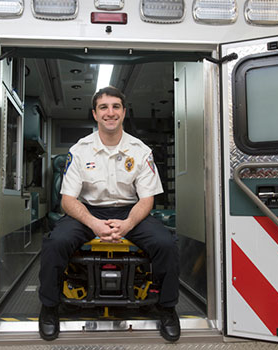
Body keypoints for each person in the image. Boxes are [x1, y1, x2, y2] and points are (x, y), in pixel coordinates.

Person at [38, 86, 180, 341]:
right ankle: (49, 307)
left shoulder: (140, 151)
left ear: (124, 112)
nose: (110, 112)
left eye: (116, 107)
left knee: (166, 244)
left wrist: (127, 224)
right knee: (54, 243)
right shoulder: (79, 150)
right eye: (103, 107)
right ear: (95, 114)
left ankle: (167, 307)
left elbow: (147, 199)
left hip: (130, 210)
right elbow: (68, 200)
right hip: (88, 210)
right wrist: (93, 223)